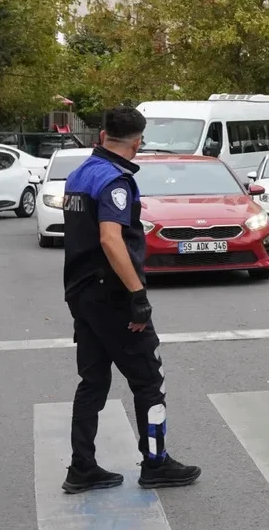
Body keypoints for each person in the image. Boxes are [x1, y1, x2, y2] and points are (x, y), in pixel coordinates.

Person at [60, 106, 201, 494]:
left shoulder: (79, 174)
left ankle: (82, 467)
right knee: (149, 382)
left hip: (82, 294)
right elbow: (110, 238)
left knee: (92, 381)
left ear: (102, 135)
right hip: (113, 297)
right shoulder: (115, 181)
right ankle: (156, 462)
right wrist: (137, 296)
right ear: (138, 142)